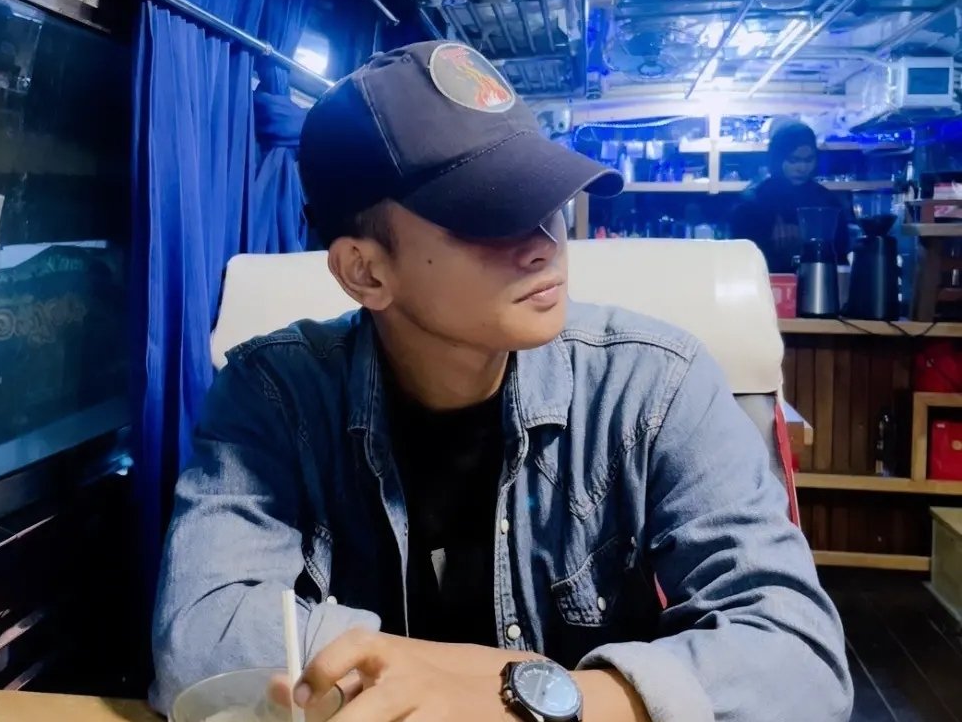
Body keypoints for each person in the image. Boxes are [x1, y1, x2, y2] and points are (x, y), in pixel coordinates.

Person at [151, 42, 852, 722]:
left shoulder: (654, 385)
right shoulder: (275, 393)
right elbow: (200, 638)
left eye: (546, 199)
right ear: (364, 271)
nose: (544, 242)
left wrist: (532, 698)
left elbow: (799, 660)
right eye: (486, 214)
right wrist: (443, 677)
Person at [731, 119, 852, 274]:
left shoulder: (827, 202)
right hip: (763, 284)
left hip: (819, 283)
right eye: (793, 160)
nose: (802, 168)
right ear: (777, 159)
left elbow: (841, 258)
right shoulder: (751, 203)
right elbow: (740, 261)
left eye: (809, 160)